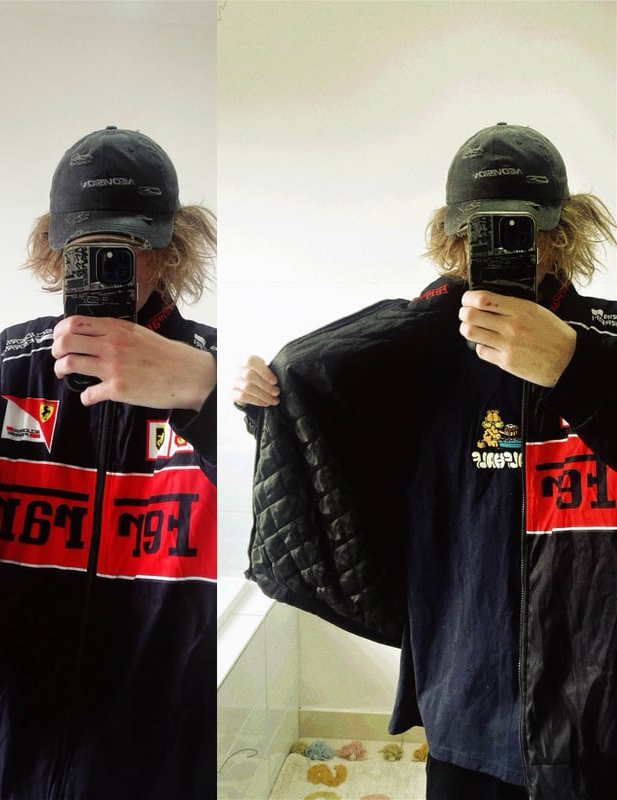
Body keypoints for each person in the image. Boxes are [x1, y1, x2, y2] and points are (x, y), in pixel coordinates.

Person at [233, 123, 616, 800]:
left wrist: (574, 366)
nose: (508, 248)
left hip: (603, 719)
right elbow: (342, 471)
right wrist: (272, 407)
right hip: (466, 705)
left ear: (563, 232)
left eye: (525, 229)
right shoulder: (414, 353)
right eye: (485, 230)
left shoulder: (608, 343)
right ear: (455, 236)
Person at [0, 126, 217, 800]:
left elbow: (274, 514)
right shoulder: (11, 367)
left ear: (171, 250)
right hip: (8, 751)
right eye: (88, 250)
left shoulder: (212, 370)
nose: (112, 271)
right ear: (56, 252)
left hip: (162, 759)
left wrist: (205, 391)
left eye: (131, 249)